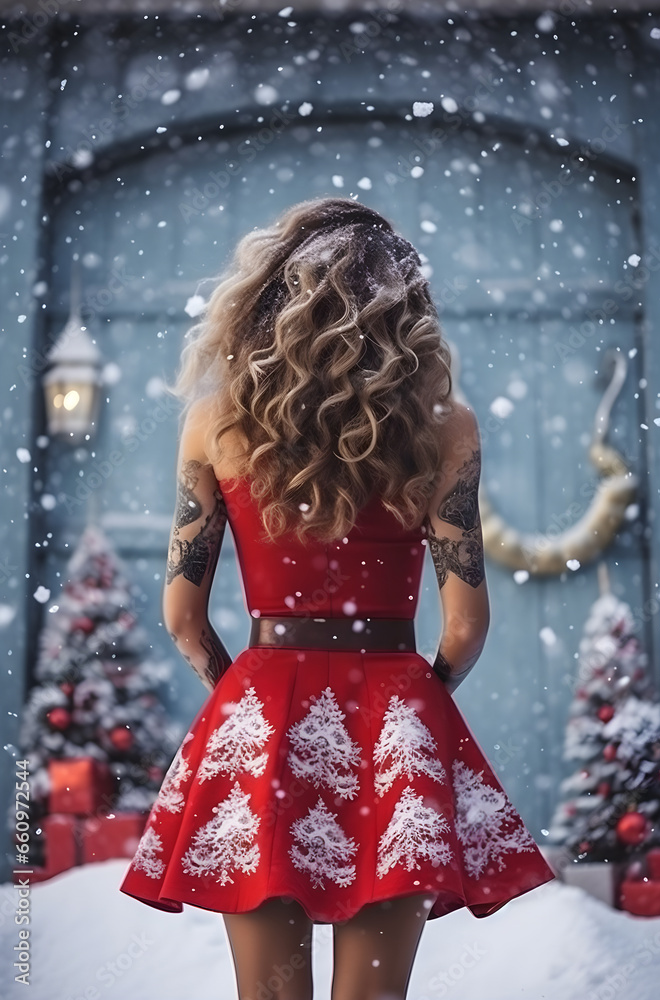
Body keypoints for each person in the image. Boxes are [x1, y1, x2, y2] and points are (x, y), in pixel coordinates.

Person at [119, 196, 555, 1000]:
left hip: (260, 707)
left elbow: (181, 616)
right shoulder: (444, 425)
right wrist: (410, 694)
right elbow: (466, 623)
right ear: (404, 307)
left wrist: (252, 694)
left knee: (270, 994)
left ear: (270, 298)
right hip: (395, 713)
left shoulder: (214, 423)